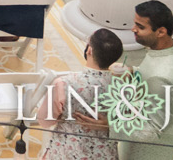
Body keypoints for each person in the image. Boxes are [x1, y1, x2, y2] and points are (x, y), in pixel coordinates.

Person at [119, 1, 173, 160]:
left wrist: (110, 124)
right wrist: (133, 72)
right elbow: (154, 70)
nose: (133, 29)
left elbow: (149, 132)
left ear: (161, 31)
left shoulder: (162, 79)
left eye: (140, 27)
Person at [39, 29, 125, 160]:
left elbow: (45, 121)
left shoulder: (64, 83)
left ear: (89, 50)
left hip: (64, 153)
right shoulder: (123, 88)